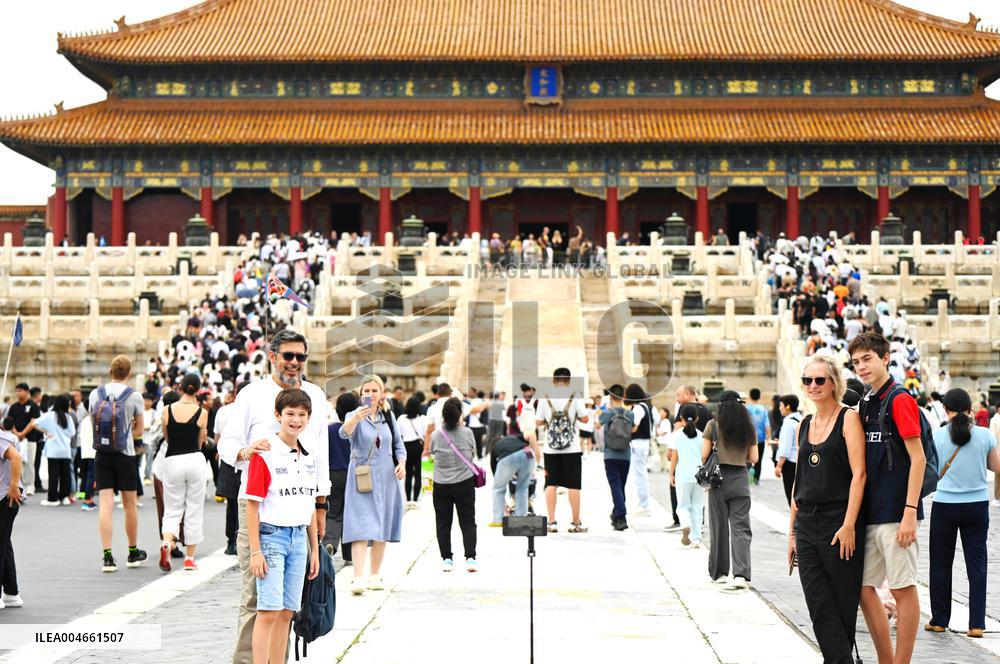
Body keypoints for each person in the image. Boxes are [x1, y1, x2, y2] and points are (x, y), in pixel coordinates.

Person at [217, 329, 331, 664]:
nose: (294, 362)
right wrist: (246, 452)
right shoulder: (252, 395)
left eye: (300, 357)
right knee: (256, 596)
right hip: (258, 505)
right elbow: (227, 443)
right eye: (288, 356)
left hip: (300, 508)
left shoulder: (315, 395)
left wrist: (321, 506)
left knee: (287, 603)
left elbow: (320, 456)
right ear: (272, 357)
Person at [849, 331, 925, 664]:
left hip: (897, 512)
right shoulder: (866, 403)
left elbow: (918, 459)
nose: (861, 367)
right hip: (872, 513)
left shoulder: (900, 399)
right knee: (864, 588)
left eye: (867, 359)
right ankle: (886, 659)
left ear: (885, 359)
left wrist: (910, 512)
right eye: (856, 362)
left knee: (902, 588)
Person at [787, 356, 867, 663]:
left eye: (820, 380)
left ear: (834, 383)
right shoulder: (804, 424)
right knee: (818, 603)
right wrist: (791, 533)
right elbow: (798, 481)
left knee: (843, 603)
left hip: (839, 521)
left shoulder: (848, 418)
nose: (813, 386)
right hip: (807, 523)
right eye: (807, 380)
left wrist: (849, 524)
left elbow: (859, 474)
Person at [245, 389, 320, 664]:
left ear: (309, 417)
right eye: (290, 414)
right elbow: (252, 505)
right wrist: (256, 551)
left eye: (302, 415)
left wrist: (314, 548)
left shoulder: (309, 455)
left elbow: (310, 504)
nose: (296, 420)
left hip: (299, 538)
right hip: (272, 538)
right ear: (278, 415)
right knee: (268, 611)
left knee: (288, 612)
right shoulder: (265, 453)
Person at [926, 388, 1000, 639]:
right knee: (977, 564)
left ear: (945, 409)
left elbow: (931, 468)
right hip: (977, 505)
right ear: (970, 409)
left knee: (940, 562)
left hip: (945, 504)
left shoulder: (937, 435)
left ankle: (939, 619)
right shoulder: (984, 435)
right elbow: (995, 466)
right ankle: (976, 624)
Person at [339, 375, 405, 595]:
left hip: (386, 475)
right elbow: (344, 433)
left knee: (382, 524)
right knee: (360, 524)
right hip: (362, 474)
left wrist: (402, 463)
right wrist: (356, 418)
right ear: (361, 395)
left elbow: (398, 444)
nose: (370, 394)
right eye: (366, 391)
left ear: (381, 394)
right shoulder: (354, 415)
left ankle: (375, 574)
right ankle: (358, 577)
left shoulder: (388, 416)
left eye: (374, 390)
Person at [89, 355, 147, 572]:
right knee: (129, 504)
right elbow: (139, 431)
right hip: (125, 454)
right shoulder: (134, 396)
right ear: (129, 374)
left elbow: (94, 423)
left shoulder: (95, 394)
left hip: (102, 453)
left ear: (109, 371)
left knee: (105, 505)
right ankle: (132, 552)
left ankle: (107, 557)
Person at [702, 390, 758, 589]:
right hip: (740, 480)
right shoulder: (748, 427)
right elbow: (754, 458)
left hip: (718, 482)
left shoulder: (712, 425)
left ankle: (720, 573)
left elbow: (704, 455)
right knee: (741, 528)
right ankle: (741, 574)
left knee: (718, 528)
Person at [158, 374, 209, 572]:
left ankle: (167, 542)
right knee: (194, 508)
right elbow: (201, 441)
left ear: (180, 388)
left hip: (173, 459)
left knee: (172, 508)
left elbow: (167, 437)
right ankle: (189, 557)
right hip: (194, 459)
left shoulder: (167, 410)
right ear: (197, 389)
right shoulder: (202, 412)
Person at [535, 368, 589, 533]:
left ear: (553, 380)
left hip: (551, 448)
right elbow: (585, 418)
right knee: (574, 485)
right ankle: (575, 523)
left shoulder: (544, 396)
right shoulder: (575, 395)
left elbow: (538, 422)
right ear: (569, 380)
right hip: (572, 448)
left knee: (550, 484)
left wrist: (551, 419)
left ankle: (552, 522)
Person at [427, 398, 479, 572]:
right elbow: (472, 454)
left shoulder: (436, 435)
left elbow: (432, 453)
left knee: (443, 522)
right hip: (464, 482)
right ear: (459, 414)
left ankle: (447, 559)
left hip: (441, 483)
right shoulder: (467, 433)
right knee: (468, 521)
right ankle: (470, 558)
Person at [22, 394, 76, 507]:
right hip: (65, 451)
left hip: (53, 451)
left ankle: (52, 498)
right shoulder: (68, 417)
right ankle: (64, 497)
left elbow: (34, 423)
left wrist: (46, 431)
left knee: (53, 475)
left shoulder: (49, 415)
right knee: (65, 475)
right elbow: (72, 433)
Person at [596, 385, 635, 531]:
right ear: (623, 396)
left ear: (611, 397)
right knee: (620, 486)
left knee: (615, 485)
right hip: (625, 454)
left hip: (610, 454)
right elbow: (632, 429)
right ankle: (616, 516)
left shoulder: (607, 413)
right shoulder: (630, 414)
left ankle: (621, 515)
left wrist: (600, 413)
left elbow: (597, 425)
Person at [325, 391, 357, 564]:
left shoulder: (330, 429)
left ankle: (329, 542)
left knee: (333, 512)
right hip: (353, 475)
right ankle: (349, 555)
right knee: (351, 514)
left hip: (333, 474)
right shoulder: (357, 429)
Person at [670, 404, 705, 548]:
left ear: (681, 418)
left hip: (683, 475)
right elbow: (704, 457)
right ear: (697, 419)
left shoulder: (677, 435)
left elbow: (674, 457)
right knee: (697, 506)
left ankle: (685, 524)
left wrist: (671, 474)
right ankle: (696, 539)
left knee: (683, 506)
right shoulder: (701, 435)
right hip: (698, 475)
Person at [489, 431, 539, 527]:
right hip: (528, 453)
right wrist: (538, 457)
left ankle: (498, 520)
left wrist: (504, 504)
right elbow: (530, 434)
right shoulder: (512, 437)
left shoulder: (495, 447)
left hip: (509, 456)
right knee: (523, 488)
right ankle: (521, 518)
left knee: (498, 489)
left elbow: (496, 477)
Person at [0, 417, 24, 609]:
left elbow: (16, 457)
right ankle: (11, 592)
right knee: (3, 543)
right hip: (5, 495)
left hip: (5, 497)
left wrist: (14, 486)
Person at [625, 384, 655, 516]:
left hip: (638, 444)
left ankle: (644, 505)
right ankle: (644, 504)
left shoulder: (638, 408)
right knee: (641, 474)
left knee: (639, 476)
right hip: (642, 444)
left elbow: (634, 427)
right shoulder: (645, 406)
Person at [7, 384, 40, 496]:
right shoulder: (14, 407)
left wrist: (23, 433)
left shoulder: (33, 405)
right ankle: (18, 486)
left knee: (30, 463)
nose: (18, 393)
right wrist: (17, 433)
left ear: (26, 391)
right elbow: (10, 422)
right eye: (16, 391)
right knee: (17, 462)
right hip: (15, 439)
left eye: (20, 390)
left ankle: (30, 486)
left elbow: (33, 421)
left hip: (30, 439)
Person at [398, 397, 428, 508]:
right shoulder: (423, 419)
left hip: (406, 447)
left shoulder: (401, 419)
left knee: (408, 474)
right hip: (418, 446)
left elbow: (399, 435)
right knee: (418, 474)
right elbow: (426, 434)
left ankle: (408, 500)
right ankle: (415, 500)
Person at [774, 395, 803, 506]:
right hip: (799, 462)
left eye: (781, 405)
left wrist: (779, 465)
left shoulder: (788, 423)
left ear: (787, 406)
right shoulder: (801, 419)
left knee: (791, 495)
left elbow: (785, 448)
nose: (779, 408)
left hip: (789, 464)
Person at [746, 388, 771, 485]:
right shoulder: (763, 409)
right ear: (759, 396)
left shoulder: (747, 409)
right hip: (760, 439)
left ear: (750, 396)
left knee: (747, 458)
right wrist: (768, 438)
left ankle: (748, 477)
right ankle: (756, 478)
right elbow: (767, 425)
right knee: (759, 459)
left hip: (748, 439)